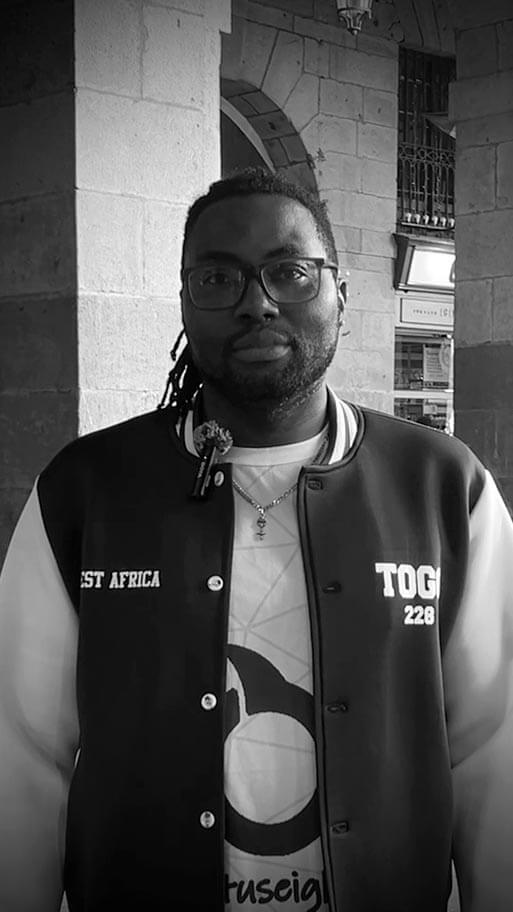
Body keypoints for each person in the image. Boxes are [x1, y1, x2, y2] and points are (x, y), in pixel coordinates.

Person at [0, 168, 512, 912]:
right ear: (184, 304)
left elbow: (494, 748)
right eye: (218, 277)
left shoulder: (441, 486)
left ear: (340, 294)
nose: (257, 302)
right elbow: (21, 754)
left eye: (290, 271)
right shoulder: (87, 489)